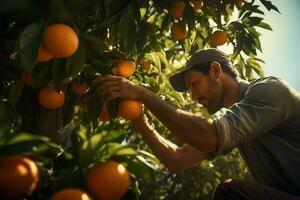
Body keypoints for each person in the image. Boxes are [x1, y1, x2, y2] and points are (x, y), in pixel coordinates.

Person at [95, 48, 300, 199]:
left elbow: (208, 137)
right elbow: (176, 160)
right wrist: (138, 116)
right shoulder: (236, 123)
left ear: (215, 70)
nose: (193, 97)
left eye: (194, 85)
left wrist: (142, 93)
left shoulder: (270, 90)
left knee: (230, 194)